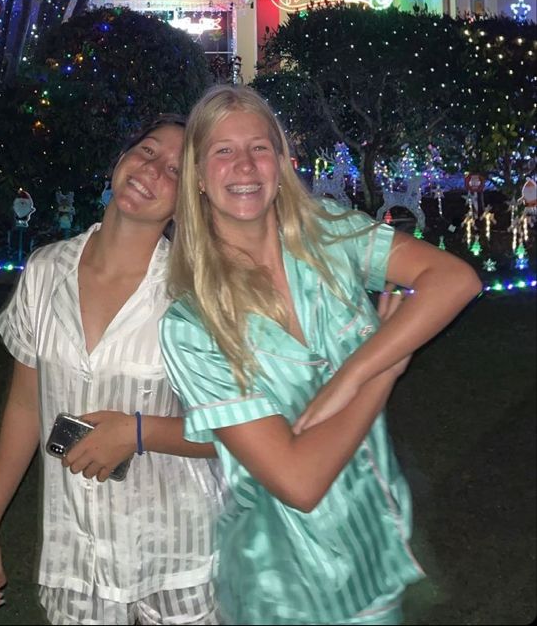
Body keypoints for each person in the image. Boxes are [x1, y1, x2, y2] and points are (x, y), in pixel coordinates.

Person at [159, 86, 483, 626]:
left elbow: (456, 279)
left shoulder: (330, 234)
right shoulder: (193, 326)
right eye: (222, 150)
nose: (244, 164)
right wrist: (384, 368)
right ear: (196, 174)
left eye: (259, 147)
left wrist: (353, 370)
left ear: (282, 161)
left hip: (374, 553)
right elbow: (299, 482)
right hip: (285, 587)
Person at [0, 115, 224, 625]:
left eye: (175, 169)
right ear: (121, 159)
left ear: (189, 200)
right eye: (148, 151)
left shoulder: (195, 294)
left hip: (179, 553)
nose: (152, 170)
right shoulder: (45, 271)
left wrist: (137, 433)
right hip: (77, 553)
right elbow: (25, 407)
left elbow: (239, 430)